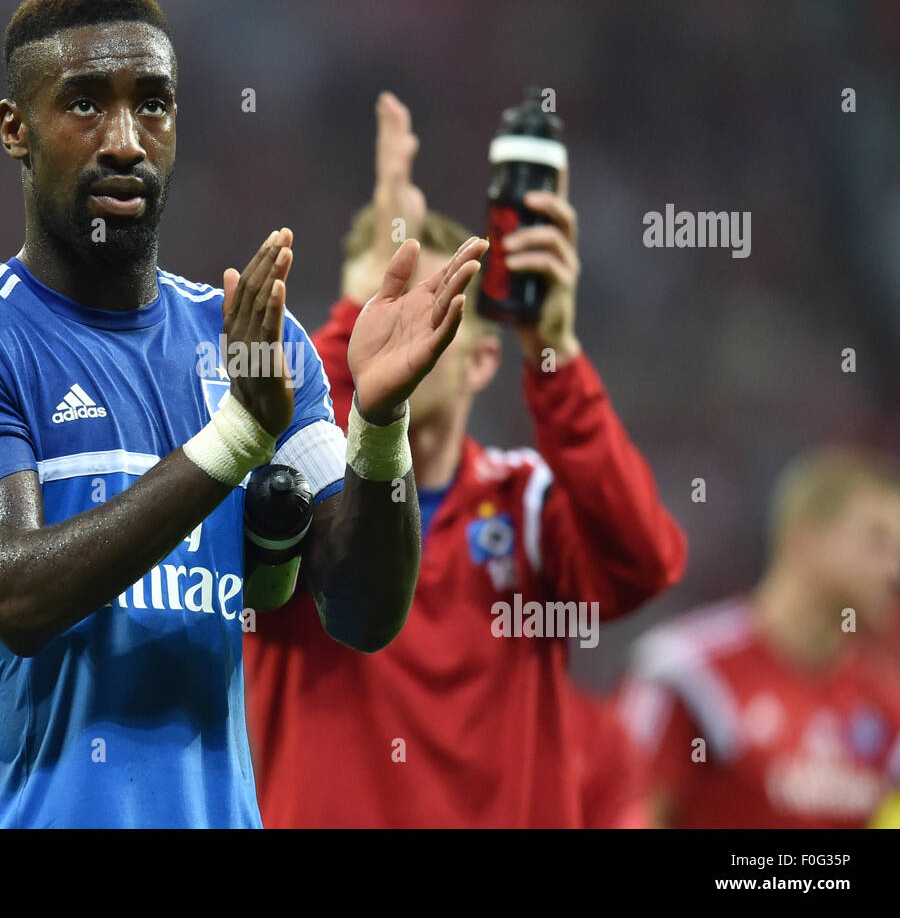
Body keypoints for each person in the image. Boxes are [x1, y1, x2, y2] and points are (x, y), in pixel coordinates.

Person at [0, 0, 486, 829]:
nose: (125, 141)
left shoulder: (248, 343)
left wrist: (378, 426)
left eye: (153, 106)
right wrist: (237, 437)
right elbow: (16, 594)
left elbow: (363, 614)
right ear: (15, 128)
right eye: (85, 105)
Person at [243, 92, 687, 827]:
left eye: (432, 313)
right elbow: (297, 426)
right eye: (381, 308)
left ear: (483, 359)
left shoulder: (528, 502)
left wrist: (557, 354)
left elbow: (644, 565)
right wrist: (360, 295)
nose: (400, 334)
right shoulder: (292, 503)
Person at [619, 447, 900, 828]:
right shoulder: (691, 671)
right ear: (806, 537)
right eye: (878, 542)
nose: (893, 570)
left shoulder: (884, 705)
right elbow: (623, 813)